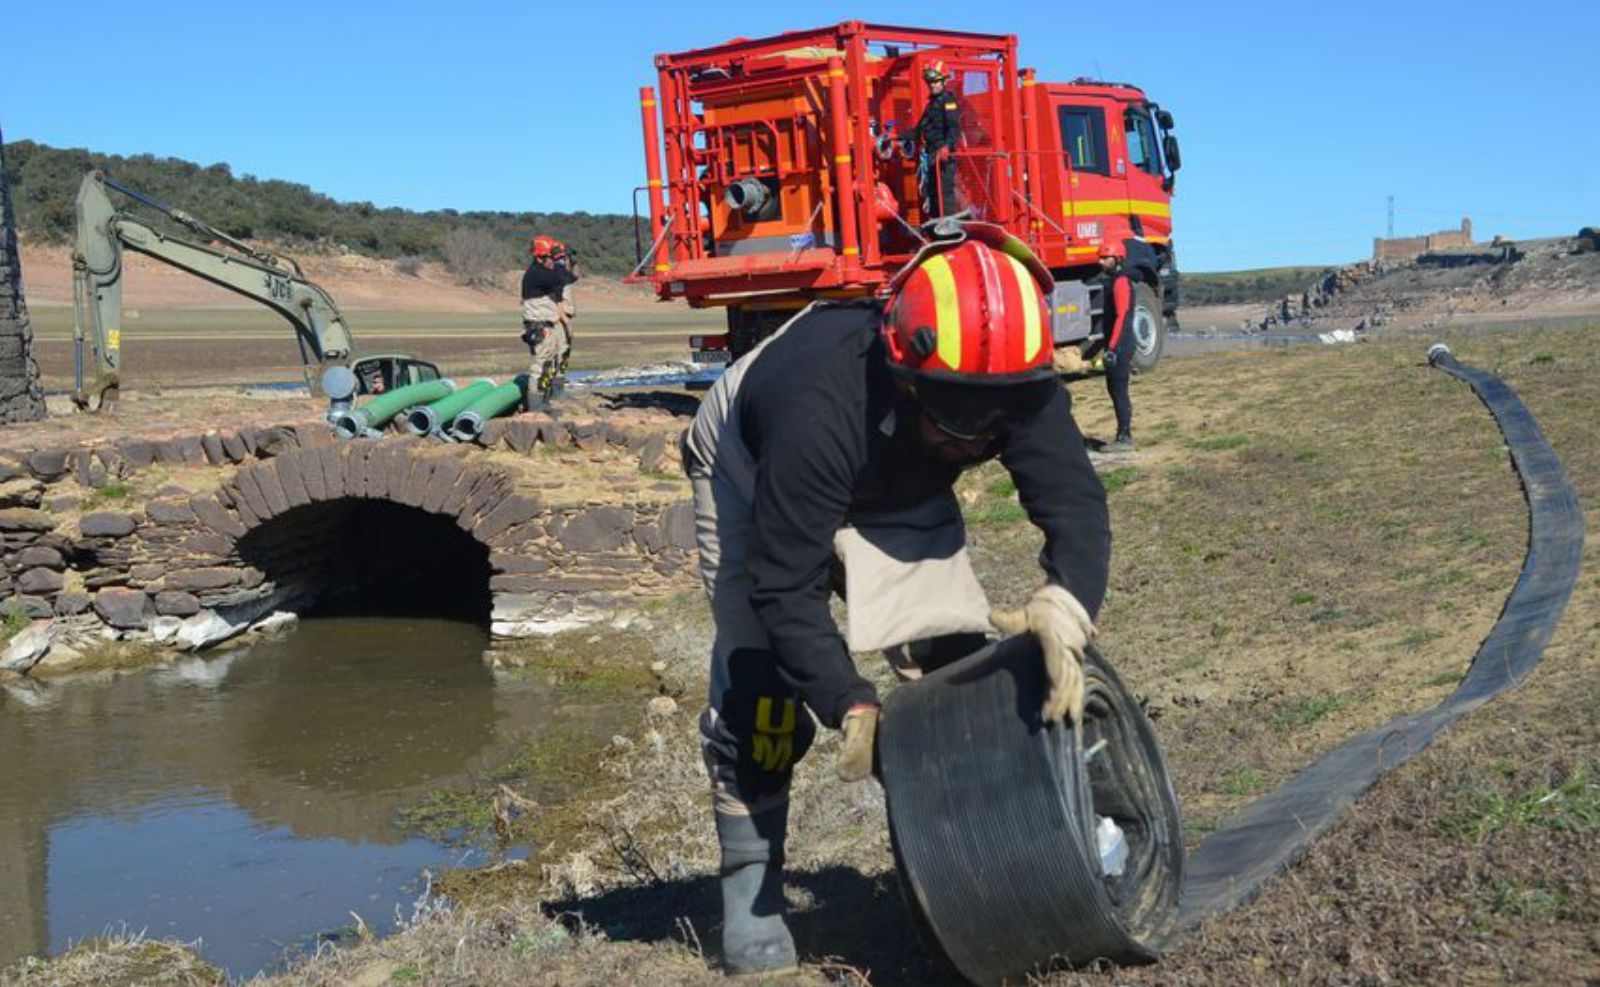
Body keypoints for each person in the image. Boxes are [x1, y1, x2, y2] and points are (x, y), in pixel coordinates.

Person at [681, 223, 1111, 975]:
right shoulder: (814, 407)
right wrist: (849, 701)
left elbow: (1075, 505)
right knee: (764, 697)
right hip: (751, 465)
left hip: (896, 479)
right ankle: (750, 891)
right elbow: (785, 586)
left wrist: (1065, 607)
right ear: (905, 369)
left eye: (992, 419)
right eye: (954, 416)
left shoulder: (1017, 380)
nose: (973, 435)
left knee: (957, 667)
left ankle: (989, 855)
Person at [520, 235, 572, 407]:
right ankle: (536, 406)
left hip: (546, 326)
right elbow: (564, 277)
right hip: (539, 327)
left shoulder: (542, 272)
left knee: (548, 364)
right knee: (540, 366)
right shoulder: (536, 274)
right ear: (539, 258)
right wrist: (561, 262)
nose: (553, 262)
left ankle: (543, 401)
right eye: (550, 258)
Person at [1098, 241, 1136, 451]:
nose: (1100, 261)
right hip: (1118, 344)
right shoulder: (1113, 280)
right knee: (1114, 389)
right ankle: (1123, 434)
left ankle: (1125, 437)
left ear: (1117, 258)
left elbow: (1122, 316)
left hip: (1121, 344)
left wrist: (1112, 348)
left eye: (1105, 258)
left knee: (1119, 390)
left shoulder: (1121, 282)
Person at [912, 61, 962, 219]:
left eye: (935, 82)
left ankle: (950, 224)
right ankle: (936, 225)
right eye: (930, 82)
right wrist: (896, 137)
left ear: (944, 81)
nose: (932, 85)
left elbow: (955, 128)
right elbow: (919, 129)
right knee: (932, 191)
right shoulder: (931, 105)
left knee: (944, 190)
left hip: (944, 156)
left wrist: (947, 147)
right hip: (932, 155)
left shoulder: (948, 101)